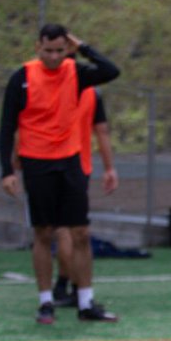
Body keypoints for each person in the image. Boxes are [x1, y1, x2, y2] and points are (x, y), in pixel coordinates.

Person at [0, 24, 120, 323]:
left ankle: (85, 303)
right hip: (36, 162)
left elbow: (111, 70)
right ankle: (46, 302)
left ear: (67, 49)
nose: (53, 57)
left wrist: (83, 47)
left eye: (59, 50)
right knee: (43, 232)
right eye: (48, 50)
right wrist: (7, 171)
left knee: (81, 232)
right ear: (37, 47)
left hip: (70, 161)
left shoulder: (75, 72)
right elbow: (6, 127)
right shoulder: (22, 77)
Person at [52, 87, 119, 308]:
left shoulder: (48, 85)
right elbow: (102, 131)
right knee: (74, 230)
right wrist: (109, 167)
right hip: (78, 167)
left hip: (48, 164)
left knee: (63, 230)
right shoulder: (91, 92)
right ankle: (75, 288)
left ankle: (64, 285)